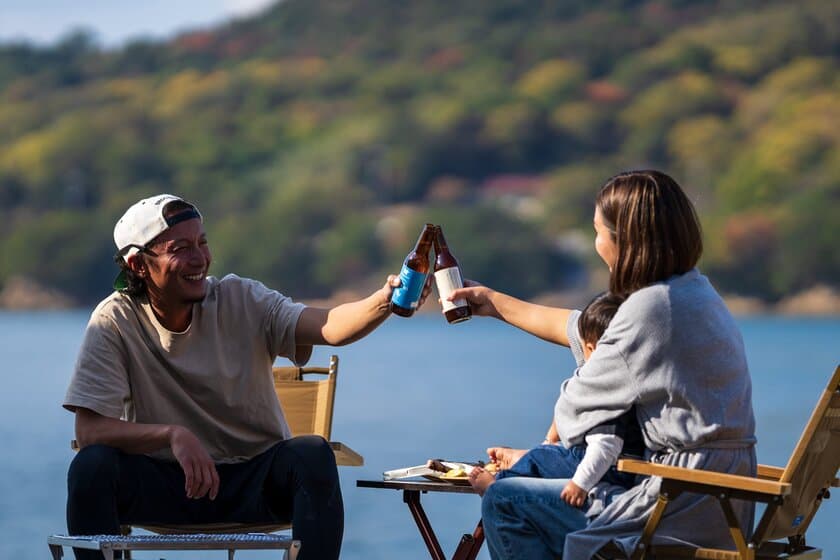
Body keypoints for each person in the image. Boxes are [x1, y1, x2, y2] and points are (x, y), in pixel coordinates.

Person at [63, 194, 429, 560]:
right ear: (139, 265)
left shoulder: (241, 298)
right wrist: (171, 435)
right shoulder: (114, 320)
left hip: (254, 486)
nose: (199, 259)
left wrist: (386, 300)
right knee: (90, 467)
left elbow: (329, 326)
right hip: (169, 485)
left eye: (202, 243)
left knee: (313, 454)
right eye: (180, 248)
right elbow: (90, 432)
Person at [449, 170, 756, 559]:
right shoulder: (696, 294)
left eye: (598, 232)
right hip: (722, 506)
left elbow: (575, 415)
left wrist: (539, 451)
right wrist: (493, 302)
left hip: (673, 511)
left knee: (505, 499)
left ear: (625, 241)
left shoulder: (649, 309)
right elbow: (589, 332)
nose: (597, 245)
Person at [468, 291, 644, 507]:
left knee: (539, 460)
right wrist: (548, 443)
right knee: (547, 455)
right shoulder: (622, 378)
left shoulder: (606, 391)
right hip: (610, 465)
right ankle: (524, 461)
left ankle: (496, 485)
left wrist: (581, 484)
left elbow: (605, 446)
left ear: (592, 348)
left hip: (609, 470)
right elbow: (569, 408)